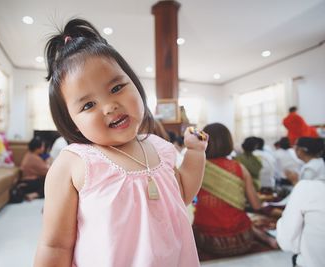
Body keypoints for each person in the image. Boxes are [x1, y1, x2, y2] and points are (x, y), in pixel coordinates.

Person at [34, 19, 208, 267]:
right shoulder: (74, 163)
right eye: (88, 105)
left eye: (116, 87)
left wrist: (195, 151)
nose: (109, 106)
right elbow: (55, 245)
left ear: (135, 85)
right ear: (73, 123)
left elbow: (181, 195)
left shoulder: (159, 147)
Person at [193, 123, 277, 256]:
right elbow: (256, 205)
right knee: (248, 221)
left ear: (204, 141)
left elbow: (188, 200)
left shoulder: (197, 168)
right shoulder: (239, 168)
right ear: (229, 142)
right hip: (242, 239)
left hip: (207, 241)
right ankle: (267, 238)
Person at [276, 137, 325, 267]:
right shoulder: (316, 164)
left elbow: (287, 243)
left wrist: (294, 181)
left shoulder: (309, 183)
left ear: (302, 150)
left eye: (296, 147)